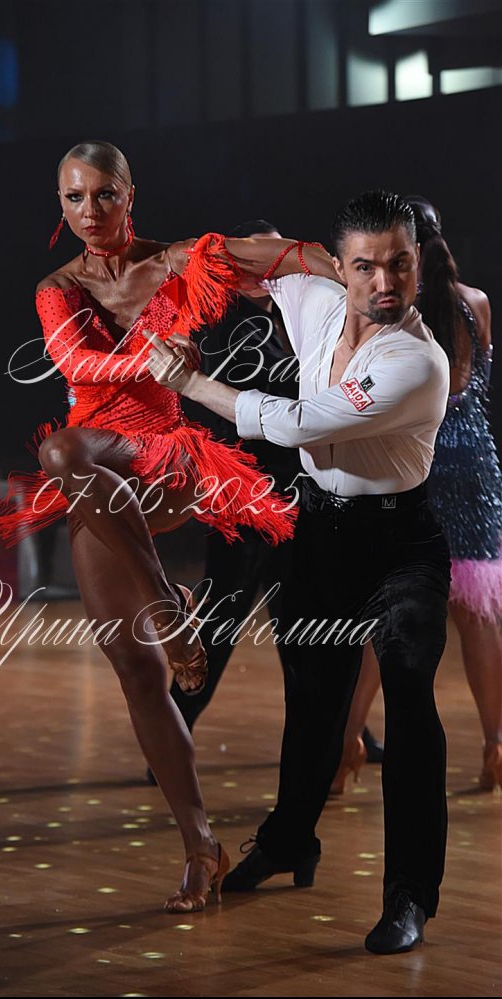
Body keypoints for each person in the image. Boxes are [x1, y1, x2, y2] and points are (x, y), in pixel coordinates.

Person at [0, 140, 334, 912]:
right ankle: (200, 845)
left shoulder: (175, 260)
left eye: (102, 195)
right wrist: (153, 360)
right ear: (60, 205)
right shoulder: (57, 288)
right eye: (73, 198)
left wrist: (337, 266)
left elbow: (266, 253)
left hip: (166, 454)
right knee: (138, 675)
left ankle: (169, 608)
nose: (88, 211)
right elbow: (77, 365)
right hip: (99, 476)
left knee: (58, 449)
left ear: (130, 193)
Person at [146, 190, 451, 953]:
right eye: (366, 266)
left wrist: (188, 383)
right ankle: (289, 842)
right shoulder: (315, 298)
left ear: (417, 263)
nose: (385, 281)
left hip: (401, 543)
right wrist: (167, 260)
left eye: (400, 264)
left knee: (410, 696)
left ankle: (409, 895)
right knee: (311, 700)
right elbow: (254, 261)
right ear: (338, 267)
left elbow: (298, 422)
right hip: (320, 532)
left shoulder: (418, 361)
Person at [336, 196, 502, 792]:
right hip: (475, 468)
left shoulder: (395, 312)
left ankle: (345, 746)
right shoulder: (475, 302)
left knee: (389, 614)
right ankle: (496, 745)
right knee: (479, 619)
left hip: (420, 464)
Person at [165, 218, 301, 749]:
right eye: (256, 259)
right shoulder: (220, 322)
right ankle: (171, 735)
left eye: (276, 259)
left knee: (307, 627)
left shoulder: (299, 317)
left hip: (299, 494)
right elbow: (212, 406)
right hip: (240, 495)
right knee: (219, 624)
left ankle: (347, 735)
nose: (268, 270)